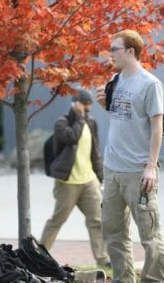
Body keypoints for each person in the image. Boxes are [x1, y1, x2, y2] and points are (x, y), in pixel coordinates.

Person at [95, 30, 164, 282]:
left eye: (115, 49)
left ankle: (155, 280)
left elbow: (156, 126)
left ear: (130, 51)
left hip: (138, 172)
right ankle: (123, 279)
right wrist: (105, 105)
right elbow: (121, 119)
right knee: (113, 233)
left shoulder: (150, 84)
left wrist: (150, 166)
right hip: (113, 169)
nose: (111, 54)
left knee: (149, 235)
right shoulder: (116, 80)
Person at [39, 89, 109, 266]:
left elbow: (95, 152)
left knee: (97, 220)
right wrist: (78, 117)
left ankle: (103, 259)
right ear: (76, 104)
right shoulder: (62, 123)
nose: (87, 111)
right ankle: (39, 256)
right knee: (57, 220)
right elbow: (71, 138)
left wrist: (100, 177)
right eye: (84, 107)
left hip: (88, 181)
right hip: (67, 182)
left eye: (88, 108)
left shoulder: (91, 123)